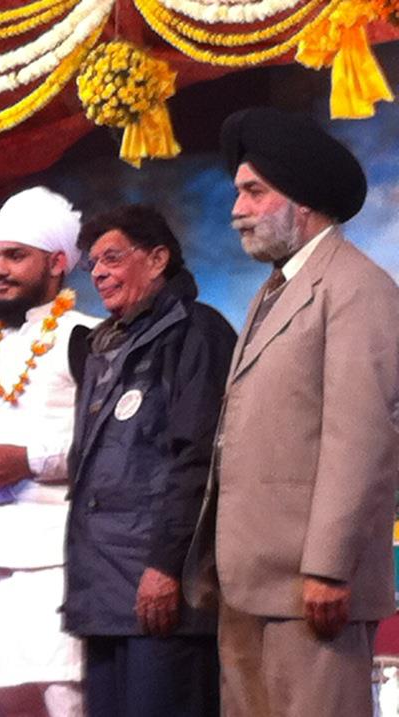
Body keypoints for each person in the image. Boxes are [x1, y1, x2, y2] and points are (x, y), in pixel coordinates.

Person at [183, 107, 399, 717]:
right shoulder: (274, 292)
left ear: (301, 202)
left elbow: (359, 439)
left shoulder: (358, 288)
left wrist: (329, 568)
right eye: (238, 194)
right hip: (251, 585)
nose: (237, 210)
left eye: (254, 193)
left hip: (311, 590)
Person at [64, 206, 235, 717]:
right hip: (105, 593)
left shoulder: (196, 333)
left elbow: (198, 458)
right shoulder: (103, 345)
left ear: (158, 259)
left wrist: (165, 567)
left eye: (112, 258)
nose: (98, 273)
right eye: (92, 263)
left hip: (161, 590)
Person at [0, 186, 98, 717]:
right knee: (9, 702)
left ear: (57, 263)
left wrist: (28, 460)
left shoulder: (89, 338)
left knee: (65, 699)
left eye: (15, 256)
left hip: (60, 552)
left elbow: (107, 447)